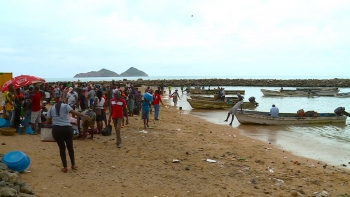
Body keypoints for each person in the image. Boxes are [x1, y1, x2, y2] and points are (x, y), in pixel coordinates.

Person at [46, 98, 91, 173]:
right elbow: (74, 112)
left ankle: (65, 167)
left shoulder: (51, 108)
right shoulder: (66, 106)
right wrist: (84, 116)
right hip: (67, 128)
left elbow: (48, 121)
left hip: (57, 129)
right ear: (63, 102)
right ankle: (73, 164)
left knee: (62, 148)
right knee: (70, 147)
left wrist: (54, 120)